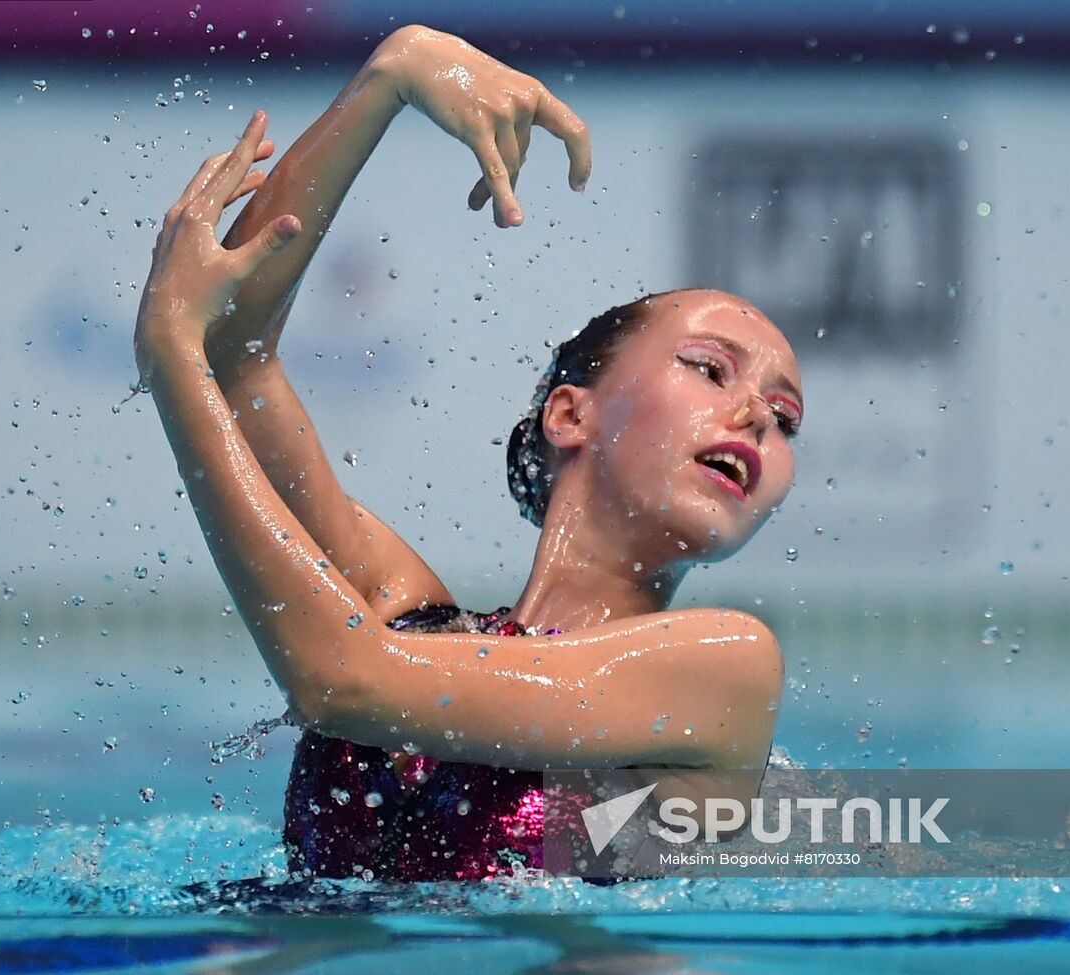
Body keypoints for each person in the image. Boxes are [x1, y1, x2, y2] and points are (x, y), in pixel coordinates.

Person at [134, 25, 803, 883]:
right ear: (570, 414)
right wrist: (392, 74)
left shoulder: (723, 669)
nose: (755, 415)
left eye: (784, 418)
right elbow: (234, 353)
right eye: (710, 369)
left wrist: (170, 357)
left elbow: (343, 681)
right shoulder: (407, 613)